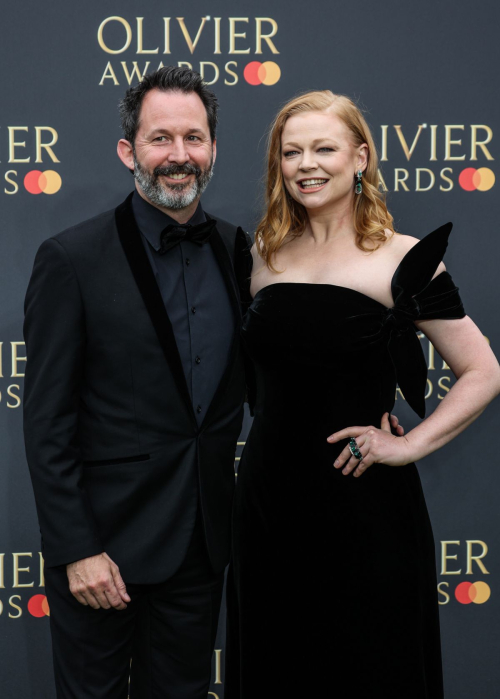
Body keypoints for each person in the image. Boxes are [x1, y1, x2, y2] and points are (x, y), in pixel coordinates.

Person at [225, 90, 500, 698]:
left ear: (361, 158)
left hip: (364, 505)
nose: (306, 164)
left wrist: (405, 447)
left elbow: (482, 371)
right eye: (291, 151)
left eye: (324, 147)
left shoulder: (404, 259)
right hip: (269, 502)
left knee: (371, 669)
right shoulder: (259, 258)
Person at [23, 66, 250, 699]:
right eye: (161, 138)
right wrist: (77, 550)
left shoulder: (239, 251)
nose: (180, 156)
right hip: (105, 554)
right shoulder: (71, 259)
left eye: (195, 138)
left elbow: (273, 374)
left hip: (201, 548)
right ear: (129, 151)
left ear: (212, 148)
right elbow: (46, 420)